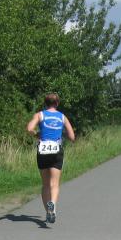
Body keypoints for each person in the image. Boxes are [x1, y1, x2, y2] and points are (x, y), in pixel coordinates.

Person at [26, 93, 75, 224]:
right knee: (54, 183)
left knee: (45, 184)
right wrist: (62, 134)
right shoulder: (62, 117)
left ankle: (48, 212)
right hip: (56, 150)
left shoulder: (40, 115)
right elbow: (72, 137)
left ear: (45, 103)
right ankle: (52, 205)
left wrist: (36, 134)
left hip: (42, 150)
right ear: (57, 103)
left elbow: (29, 128)